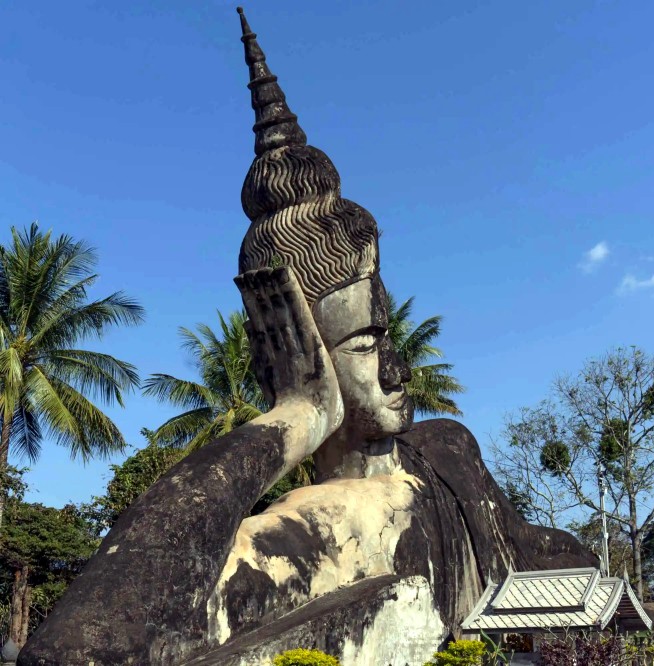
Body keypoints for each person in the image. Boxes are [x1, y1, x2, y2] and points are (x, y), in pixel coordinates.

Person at [19, 9, 591, 665]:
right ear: (297, 358)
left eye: (389, 335)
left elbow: (534, 550)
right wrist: (299, 412)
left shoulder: (446, 450)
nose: (399, 370)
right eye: (367, 344)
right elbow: (81, 650)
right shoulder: (297, 537)